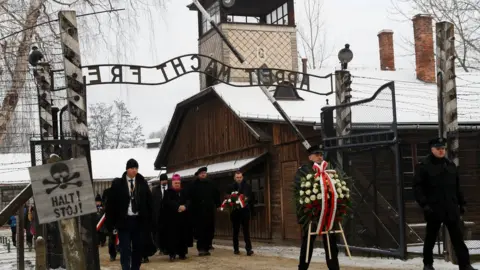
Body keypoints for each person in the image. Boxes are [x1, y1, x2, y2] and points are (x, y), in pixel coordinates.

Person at [413, 137, 477, 270]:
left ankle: (465, 265)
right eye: (438, 149)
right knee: (431, 238)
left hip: (451, 207)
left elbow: (456, 186)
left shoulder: (450, 165)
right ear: (432, 149)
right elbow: (418, 188)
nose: (441, 151)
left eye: (443, 148)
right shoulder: (424, 166)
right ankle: (428, 264)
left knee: (458, 238)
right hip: (433, 208)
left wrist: (462, 203)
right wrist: (425, 205)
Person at [296, 145, 339, 270]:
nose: (320, 157)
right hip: (311, 214)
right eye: (317, 154)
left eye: (321, 154)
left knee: (331, 243)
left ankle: (334, 268)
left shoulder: (329, 169)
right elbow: (299, 192)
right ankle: (302, 268)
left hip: (327, 214)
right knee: (307, 243)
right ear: (310, 157)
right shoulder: (303, 171)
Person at [105, 158, 153, 270]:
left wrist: (149, 220)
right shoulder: (118, 184)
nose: (134, 170)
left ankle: (135, 268)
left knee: (138, 248)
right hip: (124, 222)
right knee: (125, 249)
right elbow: (111, 204)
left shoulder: (142, 182)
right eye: (132, 168)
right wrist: (111, 223)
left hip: (138, 221)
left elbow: (149, 202)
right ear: (127, 169)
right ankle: (126, 268)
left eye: (136, 168)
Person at [186, 167, 221, 256]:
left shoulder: (211, 183)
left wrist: (218, 205)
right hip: (197, 211)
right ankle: (201, 248)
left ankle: (207, 247)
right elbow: (188, 197)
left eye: (204, 173)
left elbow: (216, 194)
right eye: (201, 173)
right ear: (198, 174)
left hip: (209, 211)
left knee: (209, 229)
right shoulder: (193, 184)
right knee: (200, 230)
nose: (203, 174)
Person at [163, 174, 190, 261]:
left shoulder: (184, 191)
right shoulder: (168, 192)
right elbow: (168, 202)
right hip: (172, 218)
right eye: (175, 183)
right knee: (172, 237)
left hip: (183, 218)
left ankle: (182, 253)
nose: (177, 184)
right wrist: (178, 207)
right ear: (172, 183)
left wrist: (185, 206)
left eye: (178, 183)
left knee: (183, 236)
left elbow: (189, 201)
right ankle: (172, 254)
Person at [228, 171, 254, 256]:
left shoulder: (248, 186)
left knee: (246, 231)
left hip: (245, 211)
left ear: (242, 177)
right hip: (235, 212)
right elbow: (227, 197)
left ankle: (249, 249)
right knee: (235, 231)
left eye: (240, 177)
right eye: (237, 177)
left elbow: (251, 197)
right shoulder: (231, 186)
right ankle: (236, 249)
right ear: (234, 178)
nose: (239, 179)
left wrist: (246, 200)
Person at [152, 173, 170, 255]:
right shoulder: (155, 190)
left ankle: (167, 248)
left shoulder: (170, 189)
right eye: (162, 180)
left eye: (165, 180)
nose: (164, 182)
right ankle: (160, 248)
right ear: (160, 181)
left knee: (167, 231)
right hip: (158, 214)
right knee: (159, 232)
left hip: (168, 214)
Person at [102, 184, 119, 261]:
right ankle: (114, 254)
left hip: (113, 220)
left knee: (113, 238)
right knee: (115, 238)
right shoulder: (120, 192)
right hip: (115, 220)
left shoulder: (107, 192)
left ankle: (113, 254)